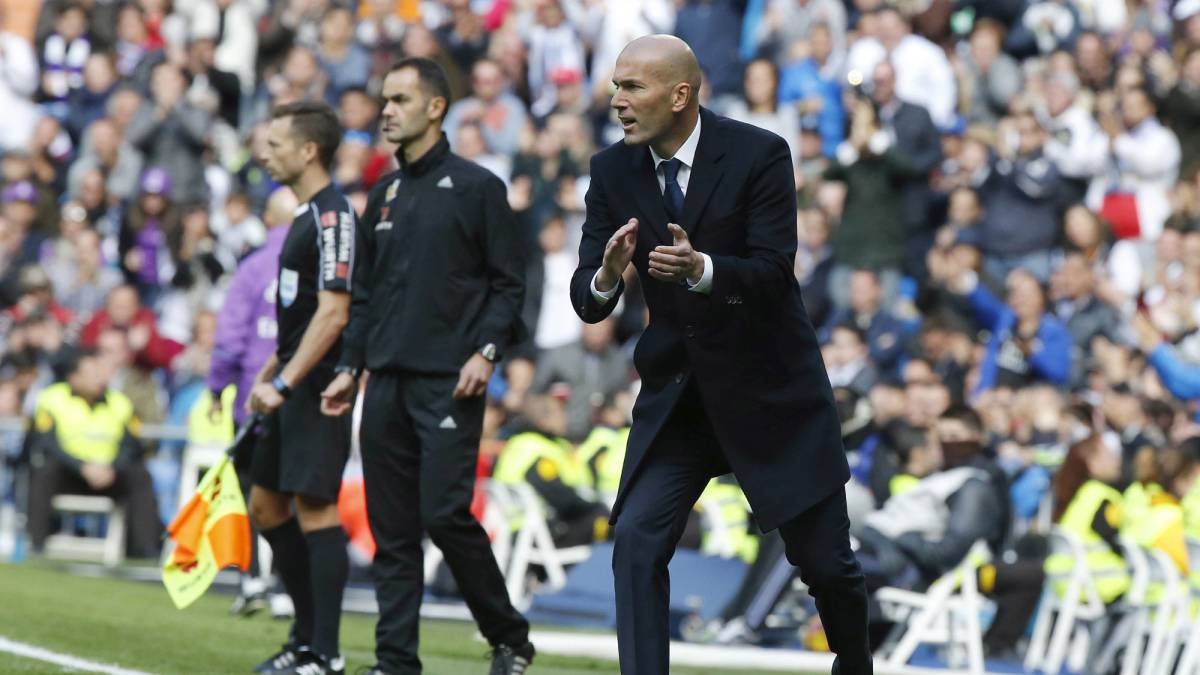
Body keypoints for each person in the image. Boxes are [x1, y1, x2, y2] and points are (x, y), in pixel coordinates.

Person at [568, 35, 871, 674]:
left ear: (680, 95)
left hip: (770, 391)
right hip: (681, 393)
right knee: (636, 539)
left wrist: (701, 268)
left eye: (633, 87)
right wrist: (605, 277)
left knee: (825, 565)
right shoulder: (611, 170)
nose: (617, 100)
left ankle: (855, 663)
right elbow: (587, 299)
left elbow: (772, 273)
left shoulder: (760, 153)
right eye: (616, 86)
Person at [320, 58, 533, 675]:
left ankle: (508, 635)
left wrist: (486, 351)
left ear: (436, 107)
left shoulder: (478, 188)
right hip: (382, 381)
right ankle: (395, 663)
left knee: (443, 514)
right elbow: (364, 295)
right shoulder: (382, 193)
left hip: (448, 381)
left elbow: (509, 286)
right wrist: (349, 366)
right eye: (385, 99)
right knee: (391, 532)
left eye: (400, 99)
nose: (386, 110)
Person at [244, 101, 358, 675]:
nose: (265, 153)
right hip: (290, 379)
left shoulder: (334, 217)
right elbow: (307, 307)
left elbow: (335, 313)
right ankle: (307, 634)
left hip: (318, 389)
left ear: (308, 150)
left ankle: (325, 653)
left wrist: (286, 379)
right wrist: (272, 364)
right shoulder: (304, 214)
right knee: (265, 506)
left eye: (275, 143)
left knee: (315, 510)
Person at [25, 347, 161, 558]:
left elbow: (132, 445)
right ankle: (36, 544)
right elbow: (46, 443)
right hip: (69, 471)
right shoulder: (52, 399)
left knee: (139, 475)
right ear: (73, 377)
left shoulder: (120, 402)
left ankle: (145, 549)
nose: (99, 379)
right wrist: (82, 467)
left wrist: (111, 468)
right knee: (45, 471)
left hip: (109, 473)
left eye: (100, 373)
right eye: (92, 374)